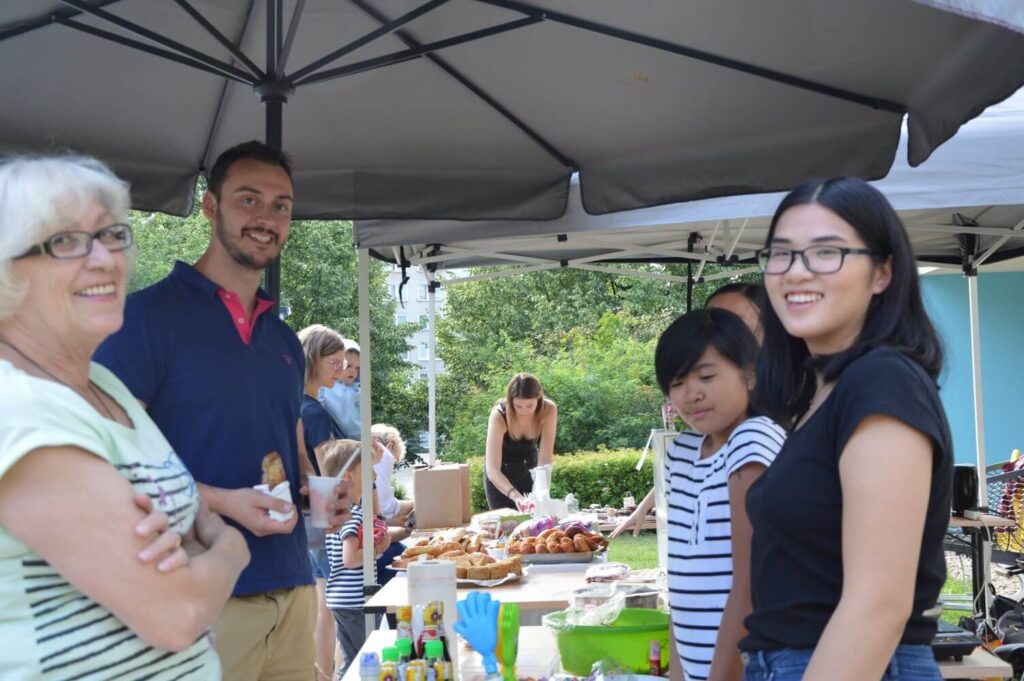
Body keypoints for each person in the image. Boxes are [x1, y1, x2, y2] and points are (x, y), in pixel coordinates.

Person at [95, 140, 351, 680]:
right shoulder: (144, 320)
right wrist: (221, 501)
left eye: (281, 205)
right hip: (198, 598)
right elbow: (102, 461)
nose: (267, 218)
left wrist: (317, 491)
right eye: (248, 200)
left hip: (292, 590)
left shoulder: (282, 340)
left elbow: (289, 450)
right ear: (210, 206)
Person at [0, 155, 249, 677]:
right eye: (65, 241)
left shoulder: (102, 383)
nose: (105, 259)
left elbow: (188, 525)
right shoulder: (19, 407)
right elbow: (176, 612)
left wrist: (194, 542)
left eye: (111, 234)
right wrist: (230, 547)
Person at [739, 178, 952, 680]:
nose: (797, 271)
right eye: (781, 254)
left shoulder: (882, 381)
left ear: (882, 273)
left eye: (826, 252)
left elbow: (878, 605)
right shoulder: (824, 392)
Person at [653, 309, 785, 681]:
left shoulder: (753, 439)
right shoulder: (682, 452)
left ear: (750, 374)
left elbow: (751, 584)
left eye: (707, 376)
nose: (691, 394)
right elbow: (680, 584)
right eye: (677, 382)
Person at [611, 281, 765, 539]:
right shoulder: (700, 435)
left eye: (735, 323)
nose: (720, 332)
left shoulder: (763, 438)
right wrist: (646, 505)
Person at [297, 323, 348, 681]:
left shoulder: (298, 404)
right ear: (313, 359)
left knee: (321, 605)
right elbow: (326, 469)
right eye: (334, 362)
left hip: (309, 518)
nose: (341, 369)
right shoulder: (312, 411)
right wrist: (336, 520)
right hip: (321, 517)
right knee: (335, 605)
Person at [322, 439, 391, 678]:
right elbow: (350, 559)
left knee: (352, 660)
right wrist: (379, 547)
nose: (374, 474)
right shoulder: (354, 514)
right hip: (356, 601)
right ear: (349, 476)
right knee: (370, 657)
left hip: (341, 599)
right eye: (369, 469)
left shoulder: (337, 511)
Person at [484, 373, 558, 510]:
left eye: (530, 406)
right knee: (507, 522)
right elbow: (492, 469)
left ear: (539, 397)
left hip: (530, 472)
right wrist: (517, 497)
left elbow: (545, 459)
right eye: (518, 406)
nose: (524, 411)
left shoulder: (549, 410)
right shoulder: (499, 415)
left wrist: (541, 493)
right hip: (500, 478)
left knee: (536, 518)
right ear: (510, 401)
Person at [371, 423, 415, 586]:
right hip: (359, 559)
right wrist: (415, 505)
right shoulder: (383, 454)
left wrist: (396, 522)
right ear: (389, 446)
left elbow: (377, 516)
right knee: (402, 553)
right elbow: (385, 506)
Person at [320, 340, 361, 438]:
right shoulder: (327, 386)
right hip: (334, 434)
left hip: (357, 437)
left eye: (357, 368)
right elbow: (318, 404)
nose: (353, 371)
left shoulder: (357, 392)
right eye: (348, 366)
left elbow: (363, 416)